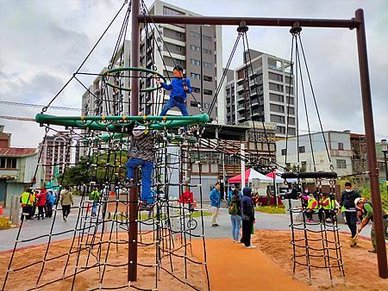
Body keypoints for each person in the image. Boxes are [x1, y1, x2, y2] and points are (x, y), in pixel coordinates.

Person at [126, 124, 157, 210]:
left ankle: (130, 179)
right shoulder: (150, 133)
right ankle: (144, 201)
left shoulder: (136, 136)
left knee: (129, 164)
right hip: (149, 159)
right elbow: (156, 134)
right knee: (146, 181)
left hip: (139, 157)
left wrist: (130, 155)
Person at [340, 182, 360, 247]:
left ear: (350, 187)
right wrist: (340, 206)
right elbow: (342, 200)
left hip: (353, 210)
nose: (347, 188)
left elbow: (359, 200)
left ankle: (354, 236)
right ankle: (353, 233)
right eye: (346, 187)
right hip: (346, 210)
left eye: (348, 187)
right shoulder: (344, 193)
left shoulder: (355, 193)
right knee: (348, 223)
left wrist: (358, 208)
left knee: (353, 223)